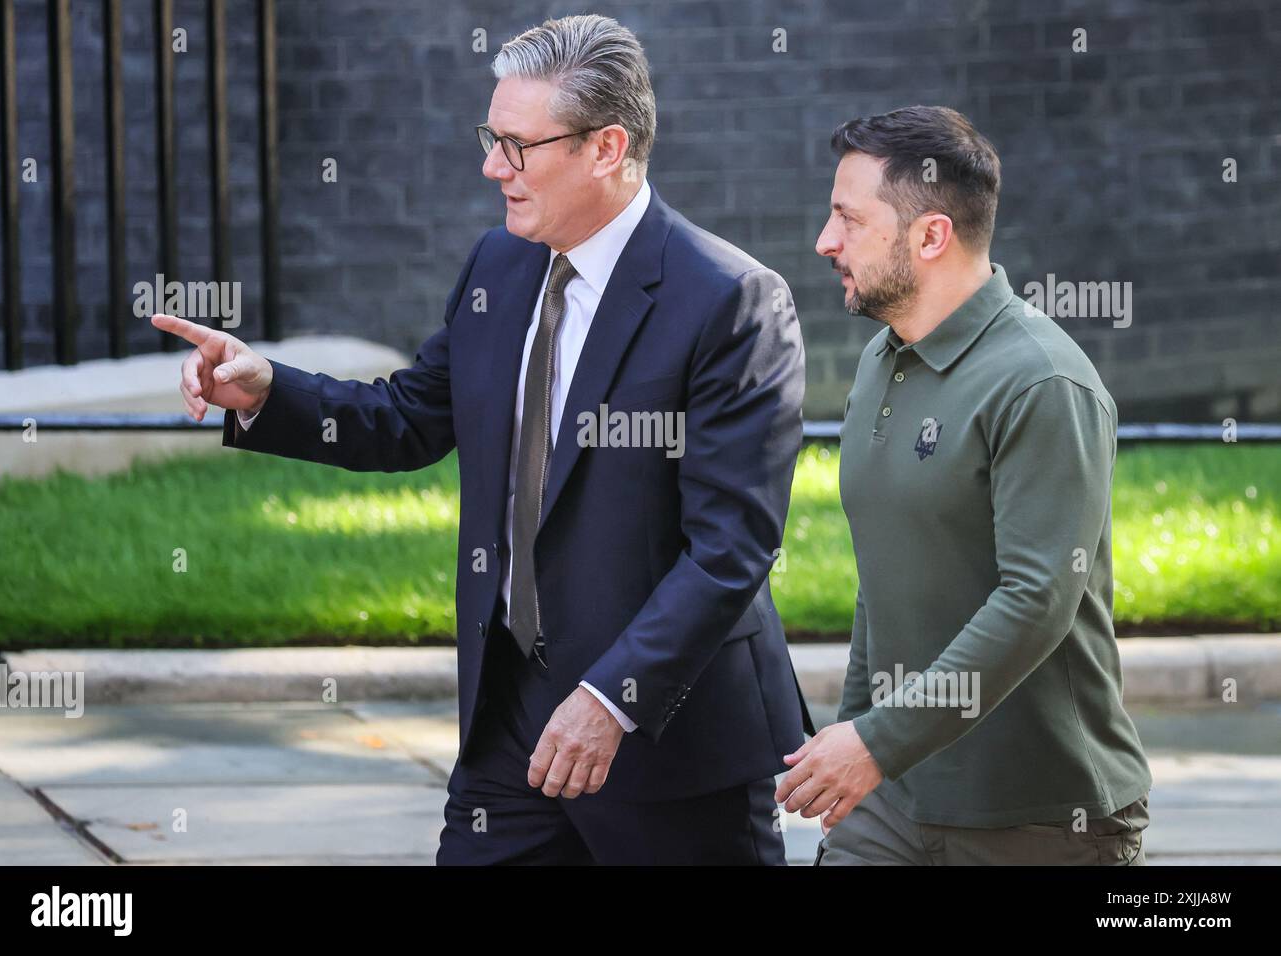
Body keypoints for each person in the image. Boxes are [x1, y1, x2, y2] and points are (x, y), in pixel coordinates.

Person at [155, 14, 813, 865]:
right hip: (510, 728)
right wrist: (269, 388)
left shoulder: (730, 301)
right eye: (489, 137)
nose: (490, 166)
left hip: (666, 741)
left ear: (606, 147)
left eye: (516, 145)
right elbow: (412, 417)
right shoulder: (498, 267)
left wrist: (610, 700)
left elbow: (730, 548)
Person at [780, 105, 1152, 865]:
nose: (825, 241)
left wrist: (875, 742)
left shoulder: (1043, 382)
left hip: (1041, 818)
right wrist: (856, 741)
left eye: (848, 219)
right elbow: (882, 579)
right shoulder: (883, 360)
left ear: (930, 235)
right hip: (891, 799)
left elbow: (1035, 601)